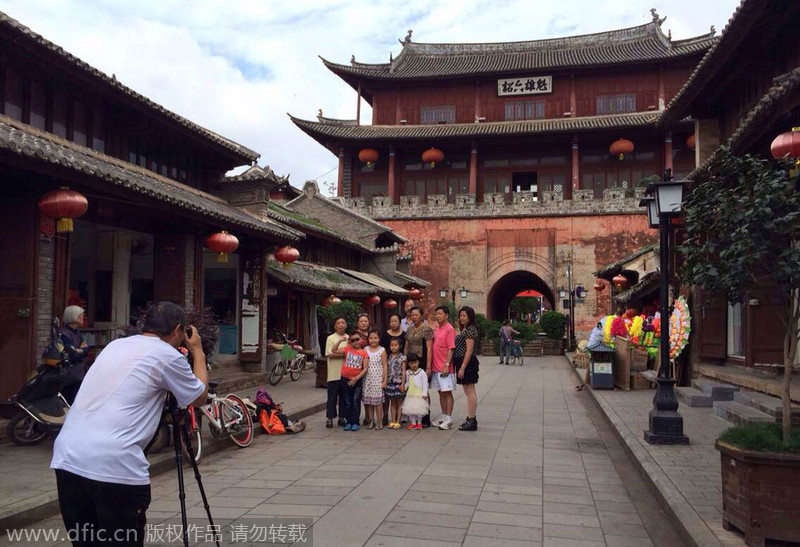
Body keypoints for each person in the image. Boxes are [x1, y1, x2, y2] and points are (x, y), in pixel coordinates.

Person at [51, 301, 208, 547]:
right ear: (178, 329)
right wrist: (198, 351)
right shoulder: (166, 354)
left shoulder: (115, 346)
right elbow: (198, 397)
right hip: (114, 466)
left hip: (68, 458)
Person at [404, 306, 433, 427]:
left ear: (421, 315)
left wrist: (428, 366)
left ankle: (425, 415)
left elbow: (429, 347)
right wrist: (404, 361)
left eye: (416, 314)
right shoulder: (409, 329)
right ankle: (413, 416)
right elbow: (406, 345)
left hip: (421, 359)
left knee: (423, 389)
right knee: (412, 389)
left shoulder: (426, 329)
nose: (414, 317)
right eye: (412, 315)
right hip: (410, 360)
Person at [431, 305, 456, 430]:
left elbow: (451, 348)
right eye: (437, 314)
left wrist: (447, 364)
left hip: (444, 367)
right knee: (440, 392)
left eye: (440, 313)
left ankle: (449, 418)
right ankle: (443, 416)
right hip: (435, 366)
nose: (438, 316)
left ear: (446, 315)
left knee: (447, 392)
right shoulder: (436, 329)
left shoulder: (449, 329)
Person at [454, 306, 479, 431]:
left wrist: (463, 367)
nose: (462, 318)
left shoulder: (470, 330)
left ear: (470, 317)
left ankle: (471, 419)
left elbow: (469, 350)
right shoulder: (465, 329)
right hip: (462, 360)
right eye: (461, 315)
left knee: (470, 392)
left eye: (464, 316)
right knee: (469, 392)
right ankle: (471, 418)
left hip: (467, 362)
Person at [59, 305, 89, 405]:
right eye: (81, 316)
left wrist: (81, 350)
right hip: (71, 375)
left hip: (79, 372)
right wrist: (81, 351)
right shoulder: (64, 334)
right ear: (74, 317)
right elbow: (73, 356)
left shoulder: (77, 332)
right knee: (70, 402)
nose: (83, 318)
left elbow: (86, 349)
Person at [340, 332, 368, 431]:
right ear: (350, 342)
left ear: (361, 340)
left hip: (357, 380)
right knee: (347, 401)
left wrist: (356, 378)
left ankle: (355, 422)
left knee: (355, 401)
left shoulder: (364, 353)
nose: (355, 342)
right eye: (353, 340)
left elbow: (365, 368)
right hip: (345, 378)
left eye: (357, 339)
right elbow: (334, 350)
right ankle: (349, 421)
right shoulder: (347, 349)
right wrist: (341, 341)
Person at [324, 317, 348, 428]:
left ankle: (342, 417)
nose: (341, 325)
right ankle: (330, 418)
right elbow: (330, 355)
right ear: (335, 326)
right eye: (338, 323)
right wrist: (344, 354)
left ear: (346, 325)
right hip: (333, 373)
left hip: (345, 373)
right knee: (332, 397)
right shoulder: (331, 338)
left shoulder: (349, 338)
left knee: (344, 397)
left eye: (343, 322)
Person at [362, 329, 387, 430]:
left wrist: (385, 380)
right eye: (371, 338)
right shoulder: (365, 349)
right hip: (368, 379)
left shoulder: (382, 350)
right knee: (369, 402)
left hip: (378, 379)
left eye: (375, 338)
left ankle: (379, 421)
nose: (373, 340)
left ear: (379, 339)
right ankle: (371, 420)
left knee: (378, 403)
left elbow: (385, 365)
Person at [401, 353, 429, 430]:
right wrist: (404, 387)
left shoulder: (421, 372)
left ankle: (419, 423)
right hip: (410, 393)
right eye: (411, 363)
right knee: (412, 409)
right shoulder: (408, 372)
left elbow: (425, 383)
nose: (414, 365)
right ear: (408, 364)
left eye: (415, 363)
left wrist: (424, 393)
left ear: (418, 362)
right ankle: (413, 423)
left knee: (419, 409)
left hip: (419, 393)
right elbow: (407, 382)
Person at [384, 338, 406, 429]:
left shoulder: (402, 357)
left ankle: (398, 420)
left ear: (400, 346)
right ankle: (392, 420)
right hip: (390, 382)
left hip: (399, 382)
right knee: (392, 402)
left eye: (395, 345)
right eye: (392, 345)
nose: (393, 347)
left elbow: (404, 371)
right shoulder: (388, 357)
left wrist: (403, 383)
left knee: (399, 402)